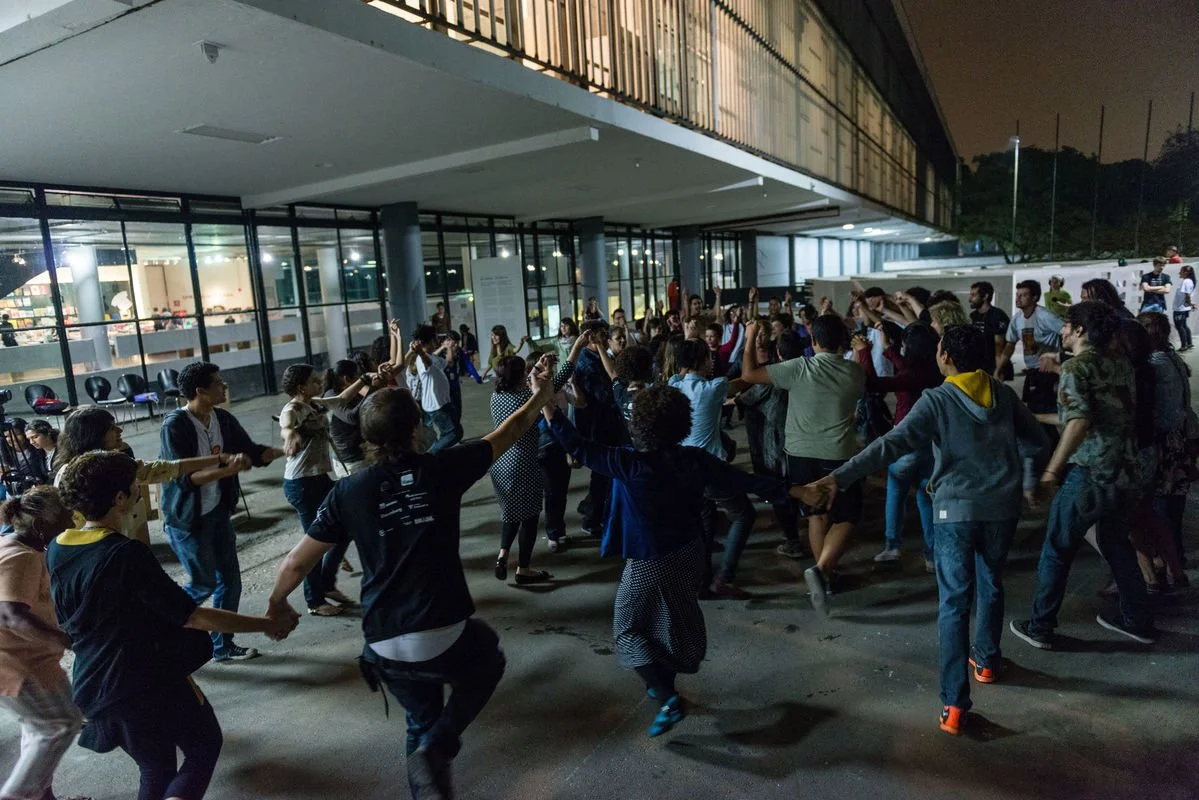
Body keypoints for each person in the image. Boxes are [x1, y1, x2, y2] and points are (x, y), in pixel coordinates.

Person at [267, 374, 556, 800]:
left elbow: (296, 562)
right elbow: (510, 430)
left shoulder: (348, 491)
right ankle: (439, 746)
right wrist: (539, 397)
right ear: (416, 426)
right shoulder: (444, 468)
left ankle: (428, 765)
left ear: (366, 436)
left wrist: (276, 604)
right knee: (487, 660)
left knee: (419, 722)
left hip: (384, 641)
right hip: (444, 630)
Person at [808, 326, 1048, 736]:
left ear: (947, 358)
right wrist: (1026, 480)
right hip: (1001, 510)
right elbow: (1037, 442)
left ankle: (955, 704)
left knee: (954, 602)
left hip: (954, 513)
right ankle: (988, 661)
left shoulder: (937, 400)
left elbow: (890, 444)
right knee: (991, 582)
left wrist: (839, 476)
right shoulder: (1003, 394)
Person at [543, 386, 824, 737]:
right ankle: (665, 684)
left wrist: (548, 408)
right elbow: (745, 481)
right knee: (670, 620)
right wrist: (797, 490)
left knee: (628, 630)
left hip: (650, 560)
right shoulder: (693, 459)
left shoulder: (628, 463)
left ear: (639, 426)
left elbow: (579, 446)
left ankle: (665, 697)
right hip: (691, 550)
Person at [50, 452, 298, 800]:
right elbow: (193, 616)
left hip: (96, 685)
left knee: (155, 768)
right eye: (134, 483)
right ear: (120, 498)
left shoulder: (57, 548)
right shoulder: (125, 553)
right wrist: (266, 623)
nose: (140, 486)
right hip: (147, 678)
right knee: (203, 746)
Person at [1009, 302, 1156, 651]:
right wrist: (1038, 417)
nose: (1061, 331)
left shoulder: (1077, 368)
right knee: (1117, 545)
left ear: (1079, 331)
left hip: (1091, 473)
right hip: (1127, 471)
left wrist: (1051, 470)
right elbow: (1097, 415)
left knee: (1057, 548)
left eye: (1066, 325)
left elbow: (1079, 422)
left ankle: (1040, 626)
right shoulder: (1120, 363)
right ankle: (1138, 621)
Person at [160, 362, 285, 663]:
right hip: (188, 518)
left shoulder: (223, 419)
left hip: (216, 512)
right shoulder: (175, 426)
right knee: (203, 582)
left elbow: (252, 452)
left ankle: (222, 646)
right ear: (200, 390)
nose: (224, 386)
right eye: (218, 382)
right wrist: (225, 468)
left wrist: (284, 449)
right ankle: (161, 632)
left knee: (230, 581)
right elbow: (184, 479)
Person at [739, 316, 865, 612]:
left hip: (800, 456)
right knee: (847, 516)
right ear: (842, 342)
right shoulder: (855, 372)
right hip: (839, 456)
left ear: (813, 342)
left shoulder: (799, 368)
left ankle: (825, 578)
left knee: (816, 516)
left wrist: (751, 335)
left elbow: (748, 373)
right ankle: (822, 572)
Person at [55, 407, 239, 549]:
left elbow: (164, 468)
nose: (119, 430)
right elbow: (74, 527)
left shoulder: (115, 462)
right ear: (92, 435)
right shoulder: (71, 477)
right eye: (111, 428)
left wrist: (217, 459)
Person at [0, 486, 83, 800]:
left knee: (39, 728)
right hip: (15, 663)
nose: (71, 524)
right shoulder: (18, 557)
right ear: (40, 526)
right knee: (60, 724)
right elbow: (10, 615)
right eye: (64, 518)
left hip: (31, 658)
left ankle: (42, 796)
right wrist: (66, 639)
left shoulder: (23, 547)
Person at [280, 363, 379, 616]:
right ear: (300, 386)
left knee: (344, 527)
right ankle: (315, 601)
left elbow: (342, 397)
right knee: (314, 544)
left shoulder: (316, 404)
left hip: (319, 479)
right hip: (302, 484)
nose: (320, 383)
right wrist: (290, 435)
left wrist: (365, 378)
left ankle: (326, 584)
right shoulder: (293, 409)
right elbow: (287, 425)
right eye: (314, 381)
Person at [667, 340, 755, 597]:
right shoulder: (714, 388)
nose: (712, 361)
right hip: (710, 468)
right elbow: (746, 380)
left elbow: (678, 375)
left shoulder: (674, 385)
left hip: (684, 468)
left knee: (705, 521)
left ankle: (700, 580)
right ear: (702, 361)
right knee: (744, 514)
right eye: (708, 357)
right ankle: (724, 577)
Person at [489, 338, 582, 584]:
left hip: (500, 463)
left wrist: (537, 368)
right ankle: (524, 569)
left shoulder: (496, 397)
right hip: (524, 463)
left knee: (510, 512)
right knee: (529, 517)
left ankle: (502, 555)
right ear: (521, 378)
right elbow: (556, 382)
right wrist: (574, 351)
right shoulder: (526, 399)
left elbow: (530, 386)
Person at [853, 323, 943, 568]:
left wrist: (863, 352)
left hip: (906, 443)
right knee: (926, 497)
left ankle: (892, 547)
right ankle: (932, 554)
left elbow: (872, 385)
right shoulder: (933, 370)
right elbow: (905, 367)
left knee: (896, 492)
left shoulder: (911, 376)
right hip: (930, 443)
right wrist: (889, 349)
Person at [733, 328, 802, 559]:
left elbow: (745, 393)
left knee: (780, 491)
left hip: (774, 445)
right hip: (802, 442)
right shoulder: (809, 370)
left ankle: (793, 540)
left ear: (778, 354)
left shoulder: (773, 377)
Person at [994, 280, 1062, 502]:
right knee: (1033, 416)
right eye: (1018, 294)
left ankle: (1051, 467)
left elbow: (1064, 332)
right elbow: (1010, 344)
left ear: (1034, 297)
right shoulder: (1017, 319)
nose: (1018, 298)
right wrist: (998, 369)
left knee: (1045, 416)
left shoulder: (1044, 316)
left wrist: (1058, 357)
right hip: (1033, 373)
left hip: (1048, 373)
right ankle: (1045, 465)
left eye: (1023, 295)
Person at [1139, 312, 1193, 585]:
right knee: (1174, 504)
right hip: (1180, 440)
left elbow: (1161, 412)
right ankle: (1176, 559)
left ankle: (1166, 564)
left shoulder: (1156, 364)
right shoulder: (1173, 359)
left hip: (1166, 443)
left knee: (1162, 505)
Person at [405, 325, 464, 454]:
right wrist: (420, 351)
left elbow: (446, 363)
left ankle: (438, 455)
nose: (438, 340)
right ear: (431, 340)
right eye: (435, 337)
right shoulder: (422, 358)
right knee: (454, 434)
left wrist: (447, 348)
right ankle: (430, 455)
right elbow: (428, 364)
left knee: (450, 433)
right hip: (437, 405)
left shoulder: (432, 356)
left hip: (441, 402)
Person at [969, 281, 1011, 379]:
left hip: (993, 365)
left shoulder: (997, 315)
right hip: (979, 365)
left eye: (973, 295)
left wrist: (998, 370)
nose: (970, 299)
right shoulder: (973, 316)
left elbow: (999, 345)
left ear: (985, 296)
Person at [1172, 265, 1194, 351]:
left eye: (1181, 271)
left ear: (1186, 272)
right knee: (1184, 325)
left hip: (1180, 309)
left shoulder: (1186, 281)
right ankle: (1189, 343)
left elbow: (1187, 294)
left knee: (1180, 326)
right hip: (1183, 308)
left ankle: (1184, 345)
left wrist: (1189, 303)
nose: (1179, 273)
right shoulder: (1188, 281)